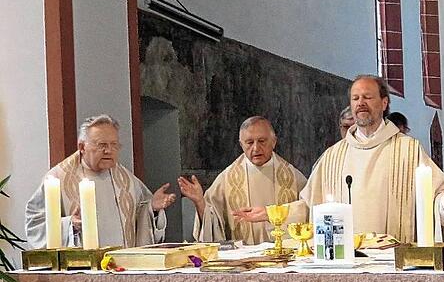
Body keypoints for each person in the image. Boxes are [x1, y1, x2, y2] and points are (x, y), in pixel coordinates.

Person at [301, 75, 444, 243]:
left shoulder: (408, 150)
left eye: (367, 97)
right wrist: (278, 214)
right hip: (345, 260)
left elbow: (435, 197)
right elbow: (309, 204)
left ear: (384, 103)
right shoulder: (333, 156)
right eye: (355, 98)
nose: (360, 102)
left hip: (393, 257)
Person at [25, 114, 175, 248]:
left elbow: (141, 220)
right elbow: (35, 226)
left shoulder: (126, 180)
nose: (109, 151)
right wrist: (70, 225)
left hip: (122, 269)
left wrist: (151, 208)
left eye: (114, 145)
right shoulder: (58, 179)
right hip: (82, 272)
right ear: (82, 147)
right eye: (102, 145)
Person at [178, 116, 307, 245]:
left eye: (262, 141)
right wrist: (199, 202)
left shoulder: (294, 178)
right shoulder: (226, 179)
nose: (256, 148)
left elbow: (309, 212)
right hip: (244, 259)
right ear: (241, 144)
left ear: (274, 141)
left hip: (283, 258)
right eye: (249, 143)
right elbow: (212, 224)